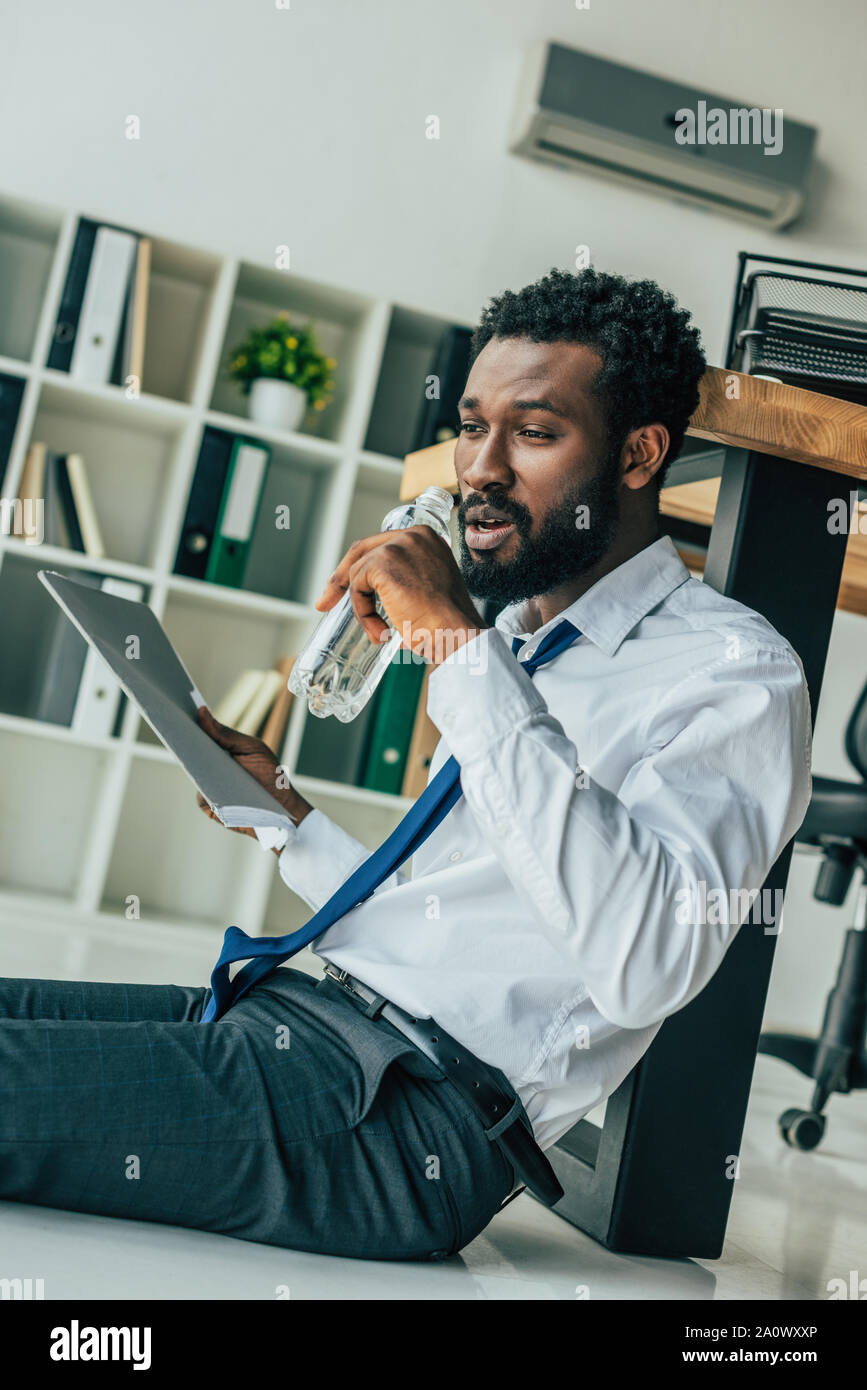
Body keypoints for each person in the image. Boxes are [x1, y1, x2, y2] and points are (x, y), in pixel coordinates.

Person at [0, 268, 811, 1262]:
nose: (481, 468)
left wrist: (464, 655)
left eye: (535, 432)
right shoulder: (517, 635)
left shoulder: (732, 675)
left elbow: (645, 961)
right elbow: (449, 932)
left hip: (406, 1120)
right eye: (474, 427)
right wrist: (288, 815)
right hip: (317, 1020)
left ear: (639, 454)